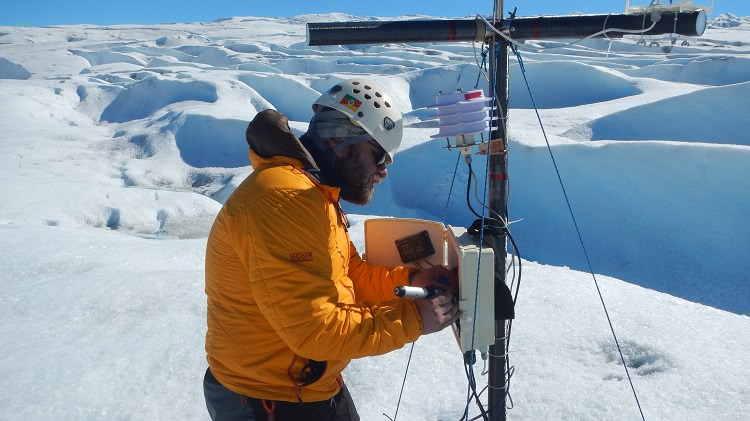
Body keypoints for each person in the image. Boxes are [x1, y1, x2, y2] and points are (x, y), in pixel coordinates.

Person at [203, 78, 460, 421]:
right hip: (269, 399)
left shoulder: (314, 194)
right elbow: (314, 331)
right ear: (340, 139)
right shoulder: (286, 199)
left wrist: (413, 278)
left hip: (307, 385)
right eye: (379, 154)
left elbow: (350, 274)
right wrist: (413, 319)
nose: (383, 171)